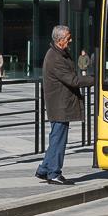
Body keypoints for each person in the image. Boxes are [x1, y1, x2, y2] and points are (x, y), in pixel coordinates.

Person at [36, 25, 94, 185]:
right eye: (68, 38)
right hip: (60, 105)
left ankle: (44, 169)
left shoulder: (58, 53)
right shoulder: (55, 58)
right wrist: (96, 79)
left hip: (61, 104)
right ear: (60, 40)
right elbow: (73, 80)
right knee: (58, 139)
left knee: (57, 138)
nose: (71, 40)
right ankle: (54, 173)